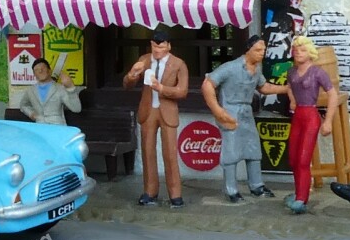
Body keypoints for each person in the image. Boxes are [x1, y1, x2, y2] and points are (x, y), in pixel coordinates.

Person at [202, 35, 289, 203]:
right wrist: (217, 110)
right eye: (257, 50)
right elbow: (208, 84)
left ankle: (256, 185)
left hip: (247, 112)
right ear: (248, 50)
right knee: (231, 151)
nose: (261, 53)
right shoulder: (231, 67)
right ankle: (230, 189)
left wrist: (286, 88)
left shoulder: (256, 70)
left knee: (253, 149)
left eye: (263, 50)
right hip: (230, 112)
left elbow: (263, 87)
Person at [123, 30, 188, 208]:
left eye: (161, 46)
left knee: (169, 154)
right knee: (147, 152)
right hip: (148, 110)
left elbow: (182, 91)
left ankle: (175, 194)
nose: (157, 50)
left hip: (167, 110)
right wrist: (132, 74)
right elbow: (127, 85)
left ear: (168, 46)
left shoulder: (178, 64)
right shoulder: (144, 60)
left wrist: (162, 88)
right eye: (154, 46)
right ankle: (150, 191)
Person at [284, 36, 337, 214]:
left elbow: (333, 94)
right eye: (296, 49)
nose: (298, 52)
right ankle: (299, 192)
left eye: (303, 49)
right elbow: (289, 87)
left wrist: (328, 120)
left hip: (311, 116)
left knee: (304, 159)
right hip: (298, 115)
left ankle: (301, 198)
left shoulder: (317, 72)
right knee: (293, 158)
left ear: (310, 52)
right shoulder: (291, 72)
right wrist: (292, 100)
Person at [19, 58, 81, 125]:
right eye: (36, 70)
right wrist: (31, 113)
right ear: (34, 74)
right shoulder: (30, 90)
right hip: (40, 127)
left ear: (49, 70)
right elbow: (23, 105)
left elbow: (76, 108)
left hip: (58, 127)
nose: (40, 71)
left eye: (43, 68)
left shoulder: (59, 88)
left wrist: (70, 88)